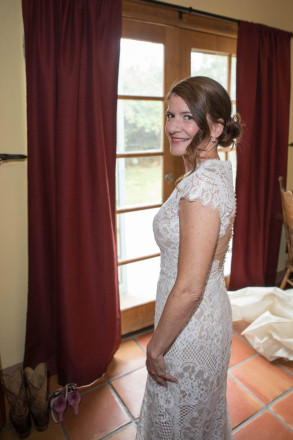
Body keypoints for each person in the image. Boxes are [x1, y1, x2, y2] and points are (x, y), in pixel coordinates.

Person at [136, 76, 242, 440]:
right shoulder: (211, 173)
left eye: (187, 117)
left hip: (190, 327)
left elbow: (190, 289)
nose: (172, 126)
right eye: (170, 115)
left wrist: (155, 347)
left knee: (180, 423)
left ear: (215, 127)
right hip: (205, 314)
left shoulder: (202, 187)